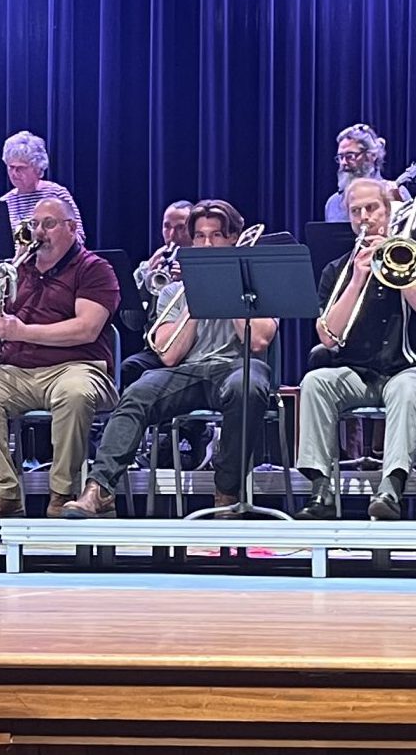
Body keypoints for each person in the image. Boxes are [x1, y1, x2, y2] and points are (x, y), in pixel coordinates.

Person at [63, 201, 277, 518]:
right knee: (137, 391)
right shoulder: (173, 290)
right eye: (200, 237)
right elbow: (170, 354)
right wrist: (198, 292)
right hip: (189, 372)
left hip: (237, 367)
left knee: (248, 386)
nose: (207, 244)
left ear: (233, 239)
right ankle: (100, 489)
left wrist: (230, 286)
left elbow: (258, 340)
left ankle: (226, 492)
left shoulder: (258, 284)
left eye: (216, 236)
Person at [295, 178, 416, 520]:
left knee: (406, 389)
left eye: (372, 208)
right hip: (361, 375)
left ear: (389, 211)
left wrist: (398, 273)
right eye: (355, 211)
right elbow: (328, 337)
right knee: (316, 383)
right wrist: (357, 280)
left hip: (414, 369)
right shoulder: (337, 269)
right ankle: (321, 489)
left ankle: (391, 489)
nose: (364, 218)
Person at [0, 197, 120, 516]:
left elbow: (86, 329)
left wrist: (22, 332)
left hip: (78, 366)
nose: (38, 233)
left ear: (71, 229)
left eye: (48, 224)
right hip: (19, 371)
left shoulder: (95, 269)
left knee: (74, 393)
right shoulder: (19, 269)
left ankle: (62, 494)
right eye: (34, 225)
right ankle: (4, 492)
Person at [120, 200, 198, 389]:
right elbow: (132, 323)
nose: (172, 236)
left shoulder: (204, 267)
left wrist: (191, 280)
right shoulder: (147, 268)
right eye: (167, 227)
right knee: (128, 368)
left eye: (181, 228)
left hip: (196, 347)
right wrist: (146, 283)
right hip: (159, 348)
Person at [0, 131, 87, 244]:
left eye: (21, 168)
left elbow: (78, 237)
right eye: (11, 167)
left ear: (37, 168)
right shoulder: (4, 202)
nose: (14, 173)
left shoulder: (57, 194)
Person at [321, 124, 414, 223]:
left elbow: (412, 235)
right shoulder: (333, 203)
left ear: (372, 156)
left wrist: (397, 202)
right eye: (340, 157)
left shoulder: (397, 193)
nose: (343, 163)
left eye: (350, 156)